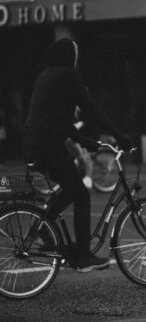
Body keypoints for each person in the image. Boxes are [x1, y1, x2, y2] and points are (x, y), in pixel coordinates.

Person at [22, 38, 131, 272]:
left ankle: (41, 231)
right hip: (48, 146)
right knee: (81, 194)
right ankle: (83, 256)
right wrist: (119, 136)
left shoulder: (45, 76)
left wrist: (85, 141)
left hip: (33, 144)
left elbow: (57, 119)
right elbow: (92, 108)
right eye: (75, 54)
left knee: (70, 188)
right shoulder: (67, 75)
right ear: (69, 56)